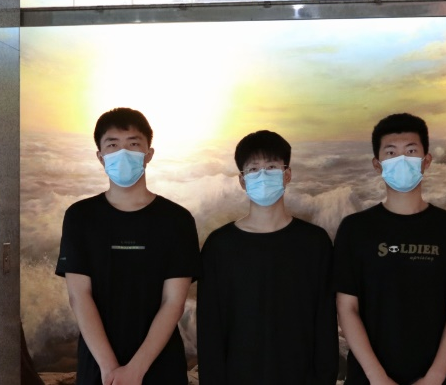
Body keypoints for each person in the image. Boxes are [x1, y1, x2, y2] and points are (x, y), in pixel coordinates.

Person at [55, 108, 200, 385]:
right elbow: (79, 296)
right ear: (100, 156)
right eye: (112, 145)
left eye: (133, 144)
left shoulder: (177, 220)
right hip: (98, 367)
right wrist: (110, 369)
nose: (122, 153)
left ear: (149, 154)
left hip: (161, 367)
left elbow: (173, 302)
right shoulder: (80, 216)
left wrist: (135, 370)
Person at [334, 113, 446, 385]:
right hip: (368, 379)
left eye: (411, 151)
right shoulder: (355, 229)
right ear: (377, 164)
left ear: (426, 161)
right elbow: (346, 308)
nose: (401, 159)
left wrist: (435, 377)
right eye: (391, 152)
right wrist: (377, 377)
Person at [196, 130, 338, 385]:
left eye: (271, 167)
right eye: (253, 169)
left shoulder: (314, 242)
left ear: (287, 174)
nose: (262, 175)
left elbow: (325, 321)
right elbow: (210, 328)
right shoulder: (220, 246)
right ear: (242, 180)